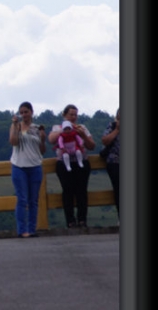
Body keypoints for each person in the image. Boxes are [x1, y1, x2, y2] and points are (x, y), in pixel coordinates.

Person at [48, 104, 96, 229]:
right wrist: (65, 129)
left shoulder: (82, 128)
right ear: (64, 115)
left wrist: (83, 135)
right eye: (71, 115)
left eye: (75, 115)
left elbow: (92, 146)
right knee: (67, 191)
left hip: (81, 162)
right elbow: (51, 140)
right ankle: (70, 221)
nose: (73, 117)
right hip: (64, 163)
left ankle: (82, 220)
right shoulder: (57, 127)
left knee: (82, 191)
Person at [9, 102, 47, 238]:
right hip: (19, 166)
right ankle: (22, 230)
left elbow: (42, 151)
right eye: (22, 112)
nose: (24, 115)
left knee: (33, 200)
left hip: (35, 166)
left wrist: (42, 139)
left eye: (26, 112)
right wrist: (14, 125)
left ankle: (32, 229)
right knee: (22, 199)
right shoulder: (16, 127)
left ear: (31, 112)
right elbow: (13, 141)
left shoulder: (37, 128)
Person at [100, 108, 120, 218]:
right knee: (119, 190)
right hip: (115, 162)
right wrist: (117, 130)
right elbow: (104, 141)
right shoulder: (111, 126)